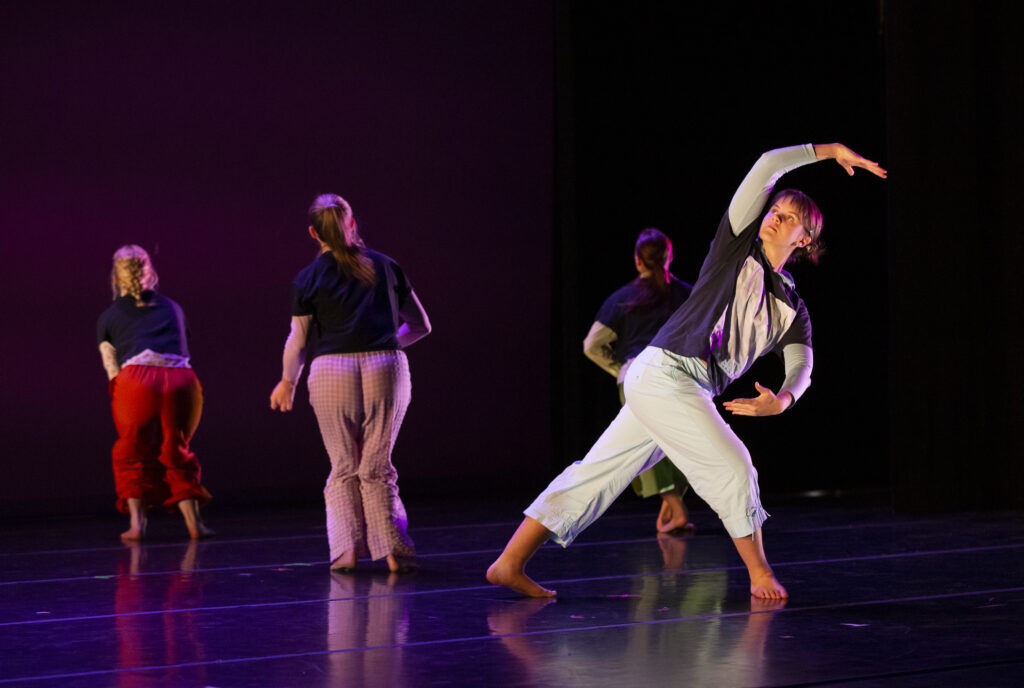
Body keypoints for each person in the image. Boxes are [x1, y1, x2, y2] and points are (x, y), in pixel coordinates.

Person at [488, 142, 886, 599]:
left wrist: (782, 399)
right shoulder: (736, 247)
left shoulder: (792, 309)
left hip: (670, 385)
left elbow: (802, 364)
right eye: (775, 208)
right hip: (666, 373)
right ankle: (759, 574)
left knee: (595, 475)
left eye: (790, 216)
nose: (776, 215)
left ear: (805, 240)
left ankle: (509, 562)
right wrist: (830, 151)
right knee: (735, 467)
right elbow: (766, 166)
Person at [270, 194, 431, 573]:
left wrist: (286, 382)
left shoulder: (307, 278)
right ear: (352, 224)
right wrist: (388, 345)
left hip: (330, 370)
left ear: (314, 233)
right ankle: (393, 551)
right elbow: (422, 325)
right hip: (385, 367)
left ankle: (346, 553)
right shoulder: (386, 266)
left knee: (344, 465)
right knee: (377, 465)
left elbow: (298, 340)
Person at [97, 245, 213, 541]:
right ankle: (194, 525)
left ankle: (137, 525)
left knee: (132, 451)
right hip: (181, 380)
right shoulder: (173, 307)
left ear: (116, 276)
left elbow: (111, 367)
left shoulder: (108, 317)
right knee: (177, 449)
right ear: (151, 271)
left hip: (137, 380)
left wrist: (121, 391)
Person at [583, 228, 694, 533]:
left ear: (637, 261)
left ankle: (676, 510)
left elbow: (591, 345)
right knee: (678, 444)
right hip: (680, 379)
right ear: (669, 257)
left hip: (640, 378)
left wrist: (619, 367)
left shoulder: (623, 298)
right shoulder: (687, 295)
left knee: (645, 445)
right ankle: (671, 510)